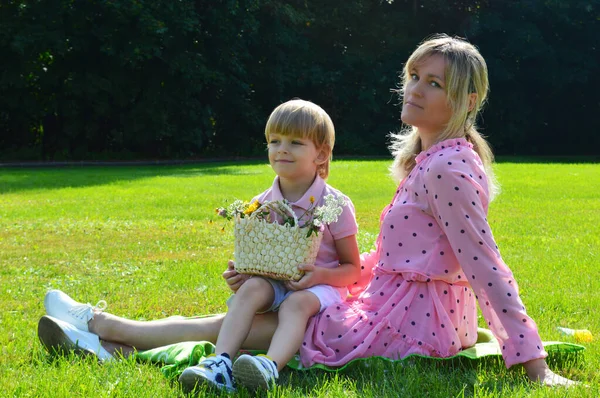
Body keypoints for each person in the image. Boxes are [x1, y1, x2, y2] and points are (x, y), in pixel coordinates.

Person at [38, 34, 577, 389]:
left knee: (257, 324)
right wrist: (314, 274)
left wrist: (534, 365)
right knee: (259, 311)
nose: (415, 88)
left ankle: (101, 326)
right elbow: (402, 255)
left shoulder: (448, 168)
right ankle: (107, 341)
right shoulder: (431, 159)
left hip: (416, 323)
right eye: (414, 75)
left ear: (467, 99)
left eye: (434, 83)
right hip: (393, 301)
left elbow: (483, 266)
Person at [40, 99, 362, 393]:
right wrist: (245, 276)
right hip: (277, 293)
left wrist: (318, 275)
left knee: (228, 323)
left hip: (316, 301)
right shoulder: (261, 206)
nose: (281, 149)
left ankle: (98, 328)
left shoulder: (333, 204)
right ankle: (207, 362)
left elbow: (353, 269)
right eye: (274, 141)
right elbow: (260, 266)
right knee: (237, 305)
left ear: (320, 154)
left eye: (295, 142)